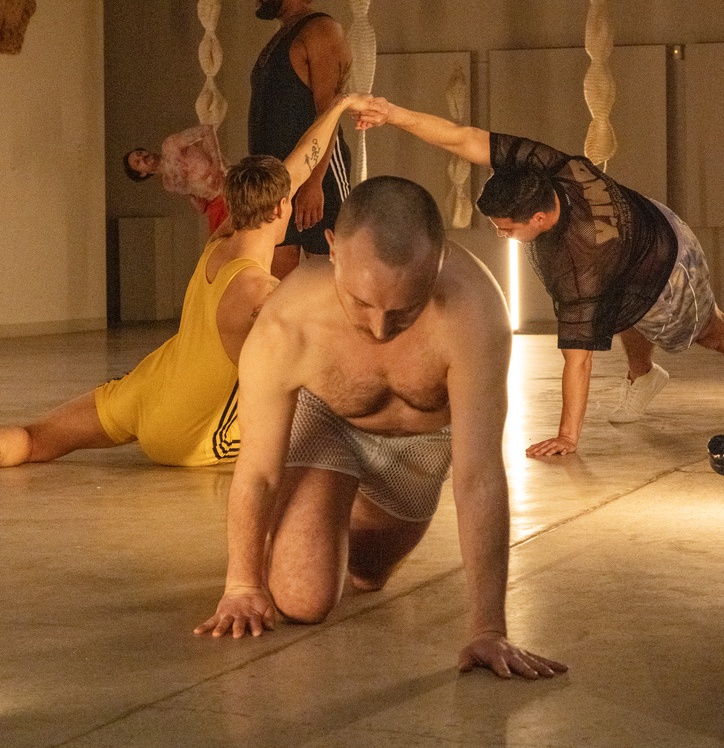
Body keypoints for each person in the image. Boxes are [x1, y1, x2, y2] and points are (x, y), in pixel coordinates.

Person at [195, 176, 568, 680]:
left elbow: (478, 475)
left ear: (439, 262)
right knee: (302, 598)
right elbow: (258, 469)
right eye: (361, 303)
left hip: (421, 447)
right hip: (328, 424)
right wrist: (241, 585)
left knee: (369, 577)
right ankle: (317, 505)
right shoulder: (288, 322)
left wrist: (488, 629)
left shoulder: (475, 311)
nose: (378, 329)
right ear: (331, 250)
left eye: (404, 310)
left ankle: (335, 521)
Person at [0, 95, 366, 469]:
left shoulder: (220, 242)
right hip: (187, 434)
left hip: (146, 390)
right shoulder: (261, 293)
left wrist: (339, 106)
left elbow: (300, 163)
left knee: (33, 440)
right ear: (279, 208)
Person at [352, 97, 724, 459]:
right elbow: (463, 137)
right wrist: (393, 114)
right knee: (623, 306)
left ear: (539, 220)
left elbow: (577, 360)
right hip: (645, 224)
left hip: (668, 268)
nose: (500, 235)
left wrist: (567, 435)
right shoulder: (548, 166)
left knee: (711, 332)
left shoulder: (581, 266)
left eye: (506, 229)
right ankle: (642, 375)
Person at [248, 0, 352, 280]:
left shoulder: (321, 30)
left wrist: (314, 182)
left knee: (328, 276)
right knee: (276, 282)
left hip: (313, 174)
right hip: (277, 178)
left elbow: (331, 111)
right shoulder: (282, 35)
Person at [124, 123, 229, 233]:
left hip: (232, 186)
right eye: (138, 162)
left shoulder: (170, 146)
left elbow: (206, 130)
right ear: (142, 174)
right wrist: (199, 206)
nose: (142, 157)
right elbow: (197, 194)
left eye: (140, 153)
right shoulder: (169, 183)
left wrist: (217, 163)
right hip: (218, 207)